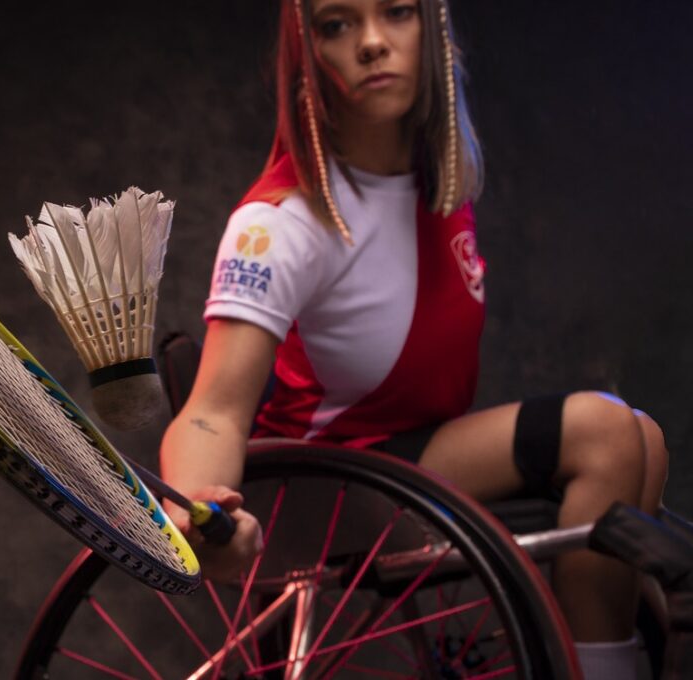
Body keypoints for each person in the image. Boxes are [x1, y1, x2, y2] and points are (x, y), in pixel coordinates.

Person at [158, 1, 670, 678]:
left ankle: (609, 652)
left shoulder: (433, 182)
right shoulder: (280, 224)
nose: (373, 42)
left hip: (405, 458)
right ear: (307, 57)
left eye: (397, 12)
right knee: (604, 432)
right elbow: (211, 412)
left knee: (643, 440)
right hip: (320, 489)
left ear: (433, 30)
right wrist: (201, 513)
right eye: (337, 24)